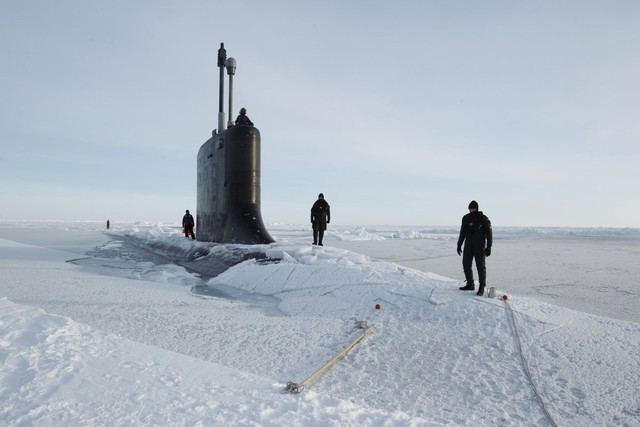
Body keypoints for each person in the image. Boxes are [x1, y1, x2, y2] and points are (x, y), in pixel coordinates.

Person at [457, 200, 492, 296]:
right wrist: (459, 244)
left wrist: (489, 246)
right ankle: (470, 284)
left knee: (480, 266)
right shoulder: (466, 218)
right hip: (468, 244)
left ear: (477, 208)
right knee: (466, 264)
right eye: (470, 208)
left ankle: (481, 287)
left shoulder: (483, 218)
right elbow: (462, 232)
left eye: (473, 208)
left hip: (480, 246)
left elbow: (489, 233)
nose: (471, 210)